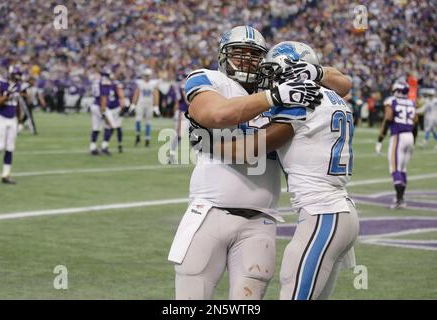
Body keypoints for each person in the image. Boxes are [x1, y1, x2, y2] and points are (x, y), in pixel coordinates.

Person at [168, 26, 331, 300]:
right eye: (239, 53)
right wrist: (273, 97)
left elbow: (343, 83)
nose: (246, 60)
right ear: (223, 55)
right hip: (209, 211)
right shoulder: (210, 79)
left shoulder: (281, 86)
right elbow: (216, 115)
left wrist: (314, 72)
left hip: (261, 220)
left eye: (254, 55)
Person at [218, 41, 358, 300]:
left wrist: (217, 142)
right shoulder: (331, 95)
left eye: (274, 71)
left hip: (322, 214)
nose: (269, 79)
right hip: (341, 211)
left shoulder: (300, 99)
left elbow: (258, 146)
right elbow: (344, 82)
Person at [375, 79, 418, 209]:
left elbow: (388, 118)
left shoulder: (391, 100)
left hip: (398, 136)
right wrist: (414, 141)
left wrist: (380, 140)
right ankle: (401, 199)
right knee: (403, 169)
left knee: (395, 169)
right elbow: (415, 122)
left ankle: (399, 200)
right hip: (410, 135)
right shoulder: (411, 102)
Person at [0, 65, 25, 184]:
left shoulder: (18, 85)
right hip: (2, 118)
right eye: (15, 77)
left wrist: (19, 121)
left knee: (10, 148)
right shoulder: (0, 83)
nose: (17, 79)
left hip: (12, 119)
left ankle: (5, 175)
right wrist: (7, 94)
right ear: (10, 75)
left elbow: (17, 103)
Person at [130, 68, 160, 147]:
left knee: (148, 122)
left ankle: (147, 139)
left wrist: (156, 107)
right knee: (138, 120)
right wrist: (133, 104)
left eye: (148, 76)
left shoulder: (153, 83)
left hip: (149, 104)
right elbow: (136, 93)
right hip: (141, 103)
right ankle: (138, 136)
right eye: (146, 76)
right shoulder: (140, 83)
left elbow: (156, 94)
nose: (147, 77)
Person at [89, 68, 112, 155]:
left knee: (96, 128)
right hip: (100, 106)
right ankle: (104, 147)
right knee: (109, 126)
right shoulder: (104, 81)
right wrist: (103, 111)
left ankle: (93, 147)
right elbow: (103, 96)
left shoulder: (96, 81)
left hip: (94, 105)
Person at [101, 75, 126, 155]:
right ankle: (106, 146)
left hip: (115, 108)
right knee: (110, 127)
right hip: (109, 109)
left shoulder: (115, 85)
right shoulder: (106, 86)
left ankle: (119, 144)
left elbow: (121, 96)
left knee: (116, 127)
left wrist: (122, 108)